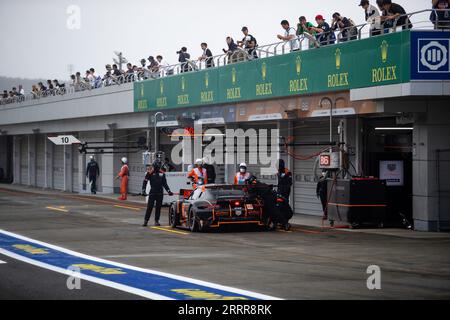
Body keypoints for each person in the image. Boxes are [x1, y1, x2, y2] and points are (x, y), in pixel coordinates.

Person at [142, 161, 173, 227]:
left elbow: (165, 184)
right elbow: (145, 182)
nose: (157, 167)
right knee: (149, 207)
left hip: (160, 193)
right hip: (152, 193)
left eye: (158, 166)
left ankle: (156, 221)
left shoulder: (162, 173)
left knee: (158, 208)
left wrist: (169, 191)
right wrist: (143, 190)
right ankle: (146, 221)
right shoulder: (150, 173)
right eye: (156, 166)